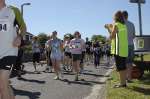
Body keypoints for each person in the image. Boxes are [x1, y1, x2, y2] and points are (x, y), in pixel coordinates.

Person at [0, 0, 26, 98]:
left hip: (10, 52)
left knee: (2, 83)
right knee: (4, 85)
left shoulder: (13, 10)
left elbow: (23, 27)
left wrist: (19, 37)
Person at [107, 11, 128, 87]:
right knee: (123, 66)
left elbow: (111, 37)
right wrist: (110, 28)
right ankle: (123, 82)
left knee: (120, 67)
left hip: (118, 49)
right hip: (124, 49)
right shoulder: (123, 25)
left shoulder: (116, 25)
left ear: (115, 17)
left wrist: (108, 27)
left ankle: (122, 83)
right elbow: (115, 35)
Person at [122, 11, 135, 82]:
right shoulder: (132, 24)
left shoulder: (121, 24)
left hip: (124, 45)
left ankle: (125, 78)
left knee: (124, 63)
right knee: (130, 62)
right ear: (127, 16)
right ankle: (129, 77)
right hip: (131, 45)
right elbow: (134, 36)